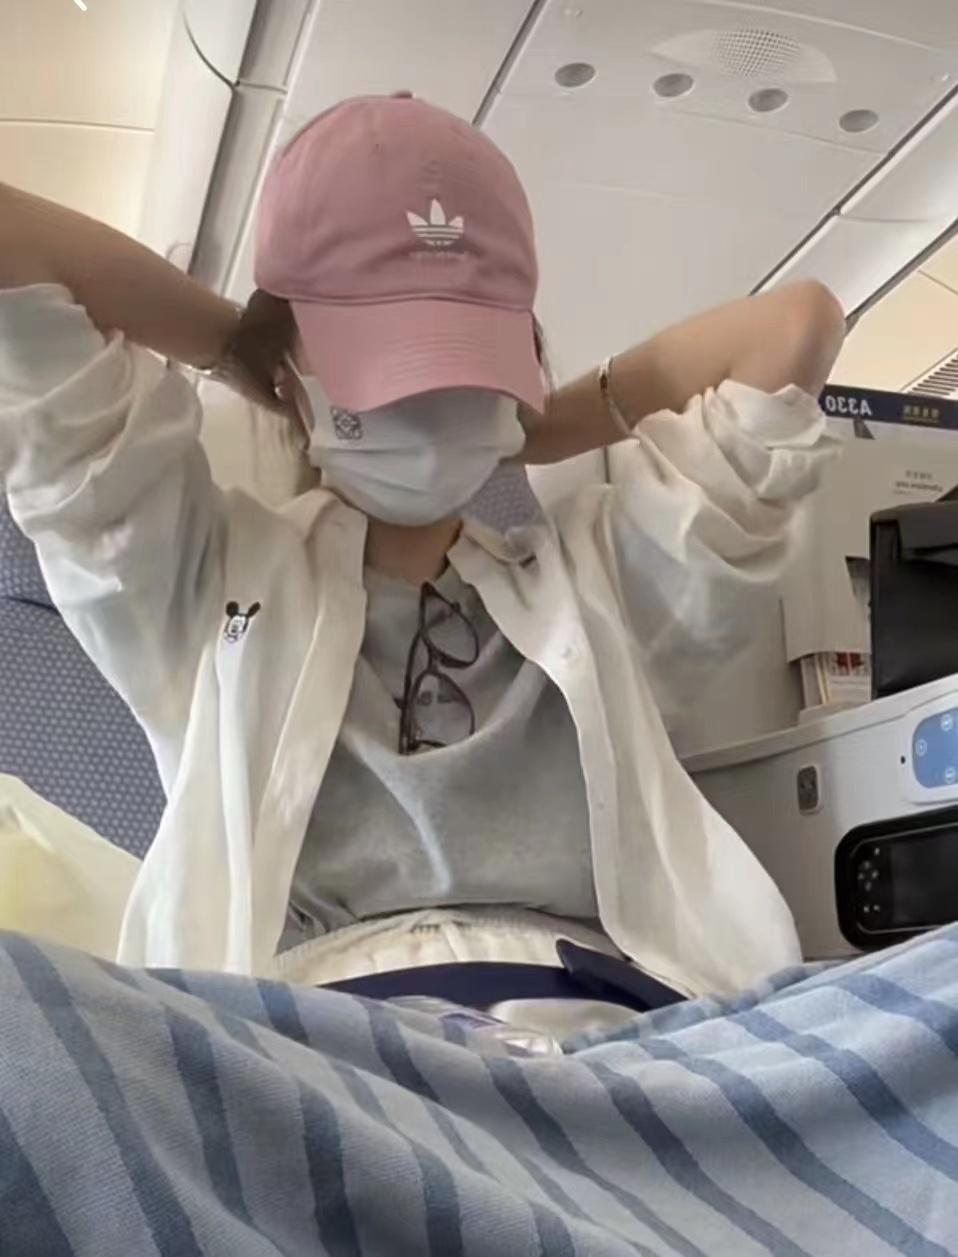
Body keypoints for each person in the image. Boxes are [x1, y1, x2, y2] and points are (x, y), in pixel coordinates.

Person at [0, 94, 844, 1016]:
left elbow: (796, 327)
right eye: (394, 365)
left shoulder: (605, 577)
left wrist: (537, 427)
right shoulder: (198, 581)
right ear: (291, 370)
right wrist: (244, 353)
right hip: (326, 1045)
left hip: (596, 1032)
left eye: (468, 362)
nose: (437, 396)